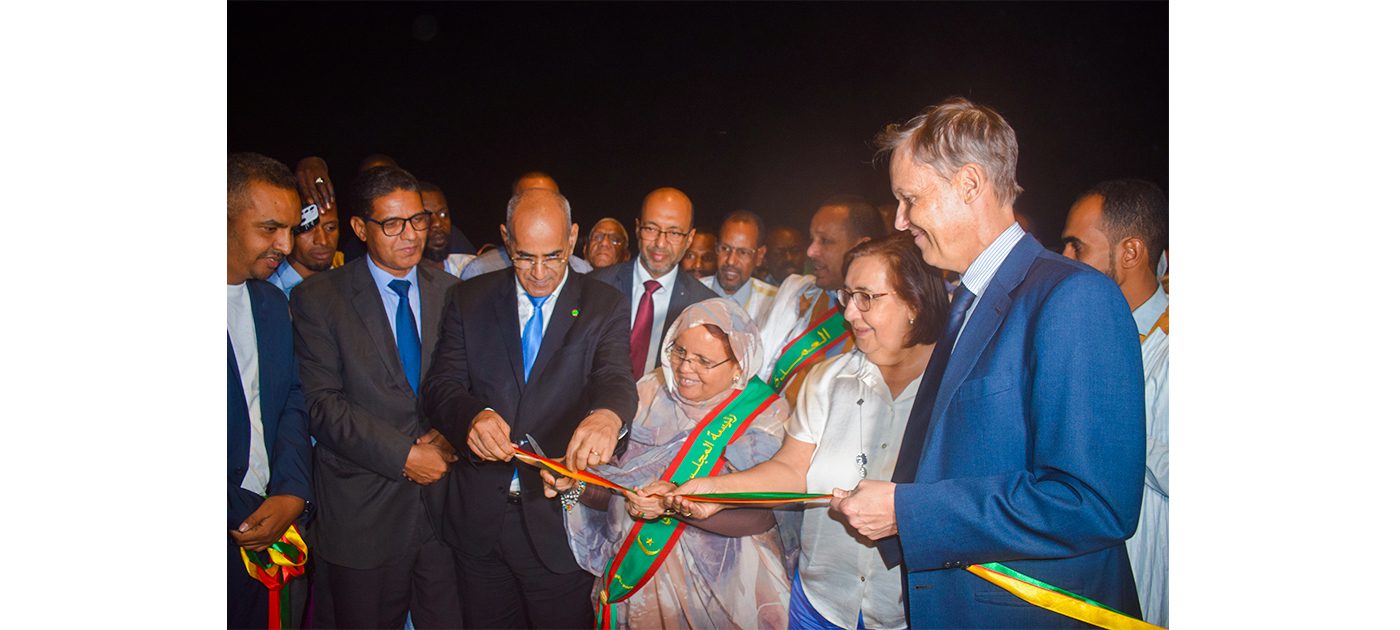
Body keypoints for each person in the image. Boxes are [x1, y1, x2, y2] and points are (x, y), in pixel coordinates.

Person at [829, 97, 1146, 628]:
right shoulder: (969, 299)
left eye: (910, 199)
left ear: (970, 184)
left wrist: (908, 513)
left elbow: (1093, 501)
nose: (901, 220)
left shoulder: (1073, 297)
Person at [669, 234, 948, 630]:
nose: (849, 313)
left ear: (915, 303)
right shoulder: (826, 380)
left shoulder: (956, 388)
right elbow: (791, 470)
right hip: (819, 603)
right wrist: (714, 492)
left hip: (912, 611)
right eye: (847, 296)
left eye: (866, 298)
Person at [421, 187, 639, 629]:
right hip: (479, 522)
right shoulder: (469, 299)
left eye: (553, 256)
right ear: (506, 239)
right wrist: (470, 417)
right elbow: (441, 386)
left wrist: (607, 416)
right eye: (524, 257)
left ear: (573, 238)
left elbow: (615, 378)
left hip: (558, 523)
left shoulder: (604, 305)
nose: (539, 273)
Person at [545, 298, 793, 629]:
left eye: (704, 361)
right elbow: (619, 490)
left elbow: (761, 515)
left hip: (725, 587)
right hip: (640, 582)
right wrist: (576, 482)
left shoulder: (766, 415)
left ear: (739, 365)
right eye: (679, 352)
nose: (685, 368)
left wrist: (672, 504)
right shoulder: (651, 390)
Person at [288, 166, 463, 629]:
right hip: (362, 513)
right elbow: (322, 404)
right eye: (392, 224)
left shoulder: (453, 293)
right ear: (360, 228)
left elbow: (469, 384)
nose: (411, 234)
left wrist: (450, 435)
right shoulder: (318, 298)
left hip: (444, 513)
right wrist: (405, 455)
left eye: (418, 219)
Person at [1061, 178, 1169, 627]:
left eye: (1078, 246)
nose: (1064, 259)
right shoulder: (1080, 335)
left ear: (1130, 253)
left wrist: (1100, 421)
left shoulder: (1171, 349)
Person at [226, 152, 313, 629]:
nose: (285, 244)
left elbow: (291, 404)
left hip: (272, 523)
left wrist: (292, 492)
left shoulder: (272, 302)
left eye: (290, 229)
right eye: (270, 228)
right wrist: (243, 510)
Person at [757, 196, 885, 389]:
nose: (810, 251)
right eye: (812, 240)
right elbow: (760, 366)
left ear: (861, 247)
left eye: (825, 241)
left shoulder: (886, 318)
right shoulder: (797, 291)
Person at [591, 187, 719, 380]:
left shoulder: (704, 306)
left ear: (690, 238)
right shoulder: (595, 286)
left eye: (674, 233)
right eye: (651, 229)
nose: (660, 243)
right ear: (637, 228)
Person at [701, 210, 778, 329]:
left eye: (743, 252)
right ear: (716, 248)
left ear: (760, 255)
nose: (731, 261)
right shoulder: (689, 294)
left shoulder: (774, 304)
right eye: (725, 248)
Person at [268, 198, 340, 298]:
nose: (322, 241)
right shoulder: (265, 294)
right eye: (308, 229)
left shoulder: (351, 282)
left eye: (330, 228)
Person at [420, 181, 477, 276]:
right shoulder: (403, 277)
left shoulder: (471, 268)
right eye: (425, 217)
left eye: (443, 214)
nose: (437, 223)